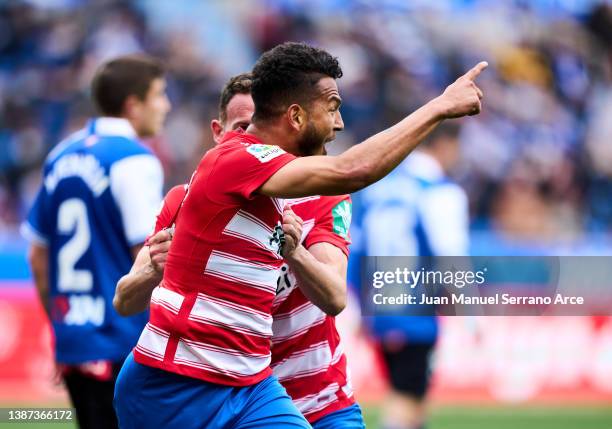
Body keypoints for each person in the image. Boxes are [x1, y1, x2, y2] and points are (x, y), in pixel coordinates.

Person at [114, 42, 486, 428]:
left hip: (254, 382)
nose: (338, 123)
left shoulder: (296, 189)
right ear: (295, 116)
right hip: (175, 382)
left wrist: (297, 254)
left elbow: (334, 293)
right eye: (332, 108)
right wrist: (439, 107)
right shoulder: (234, 161)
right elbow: (352, 170)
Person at [114, 73, 365, 428]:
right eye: (243, 126)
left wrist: (294, 253)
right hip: (221, 386)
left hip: (316, 395)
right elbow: (125, 300)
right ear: (219, 133)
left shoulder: (322, 197)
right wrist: (153, 271)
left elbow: (334, 295)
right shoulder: (187, 201)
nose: (257, 143)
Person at [22, 54, 170, 429]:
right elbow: (151, 255)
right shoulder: (134, 160)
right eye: (159, 95)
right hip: (123, 341)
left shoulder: (60, 155)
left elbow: (38, 255)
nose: (165, 105)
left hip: (73, 339)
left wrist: (61, 328)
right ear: (133, 105)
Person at [358, 123, 469, 429]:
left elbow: (356, 251)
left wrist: (356, 305)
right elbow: (451, 255)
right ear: (445, 145)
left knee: (412, 401)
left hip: (380, 310)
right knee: (406, 401)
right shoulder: (439, 192)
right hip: (414, 312)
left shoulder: (379, 189)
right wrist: (472, 312)